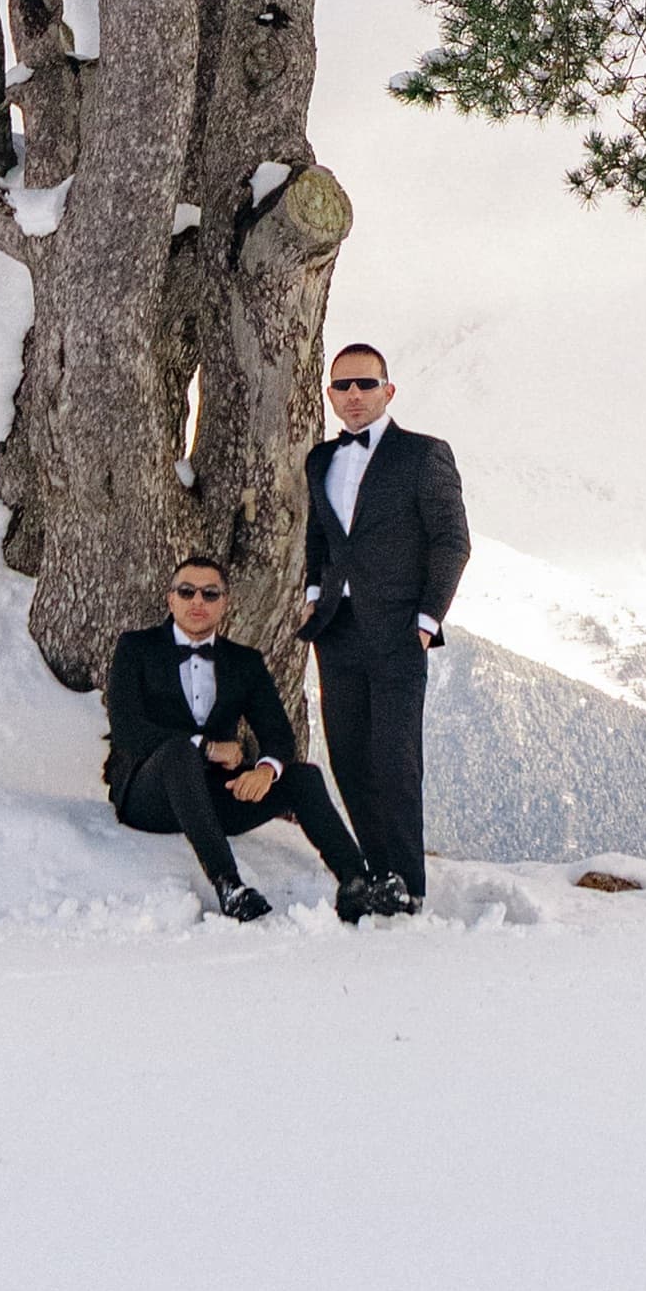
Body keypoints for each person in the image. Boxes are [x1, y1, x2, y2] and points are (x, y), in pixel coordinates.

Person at [102, 561, 386, 922]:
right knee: (179, 752)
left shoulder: (244, 662)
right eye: (186, 591)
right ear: (170, 600)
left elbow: (279, 734)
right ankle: (229, 886)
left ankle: (356, 882)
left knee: (304, 777)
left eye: (210, 593)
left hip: (218, 799)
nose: (197, 601)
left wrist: (266, 770)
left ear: (225, 603)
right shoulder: (136, 648)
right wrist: (205, 746)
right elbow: (127, 729)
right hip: (149, 798)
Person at [300, 335, 462, 916]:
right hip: (336, 630)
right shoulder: (320, 460)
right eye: (342, 385)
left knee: (395, 758)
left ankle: (408, 886)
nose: (353, 394)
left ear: (388, 391)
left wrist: (425, 620)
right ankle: (375, 874)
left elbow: (452, 542)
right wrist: (313, 596)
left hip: (399, 632)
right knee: (346, 752)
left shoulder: (424, 455)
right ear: (330, 394)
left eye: (366, 383)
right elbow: (320, 537)